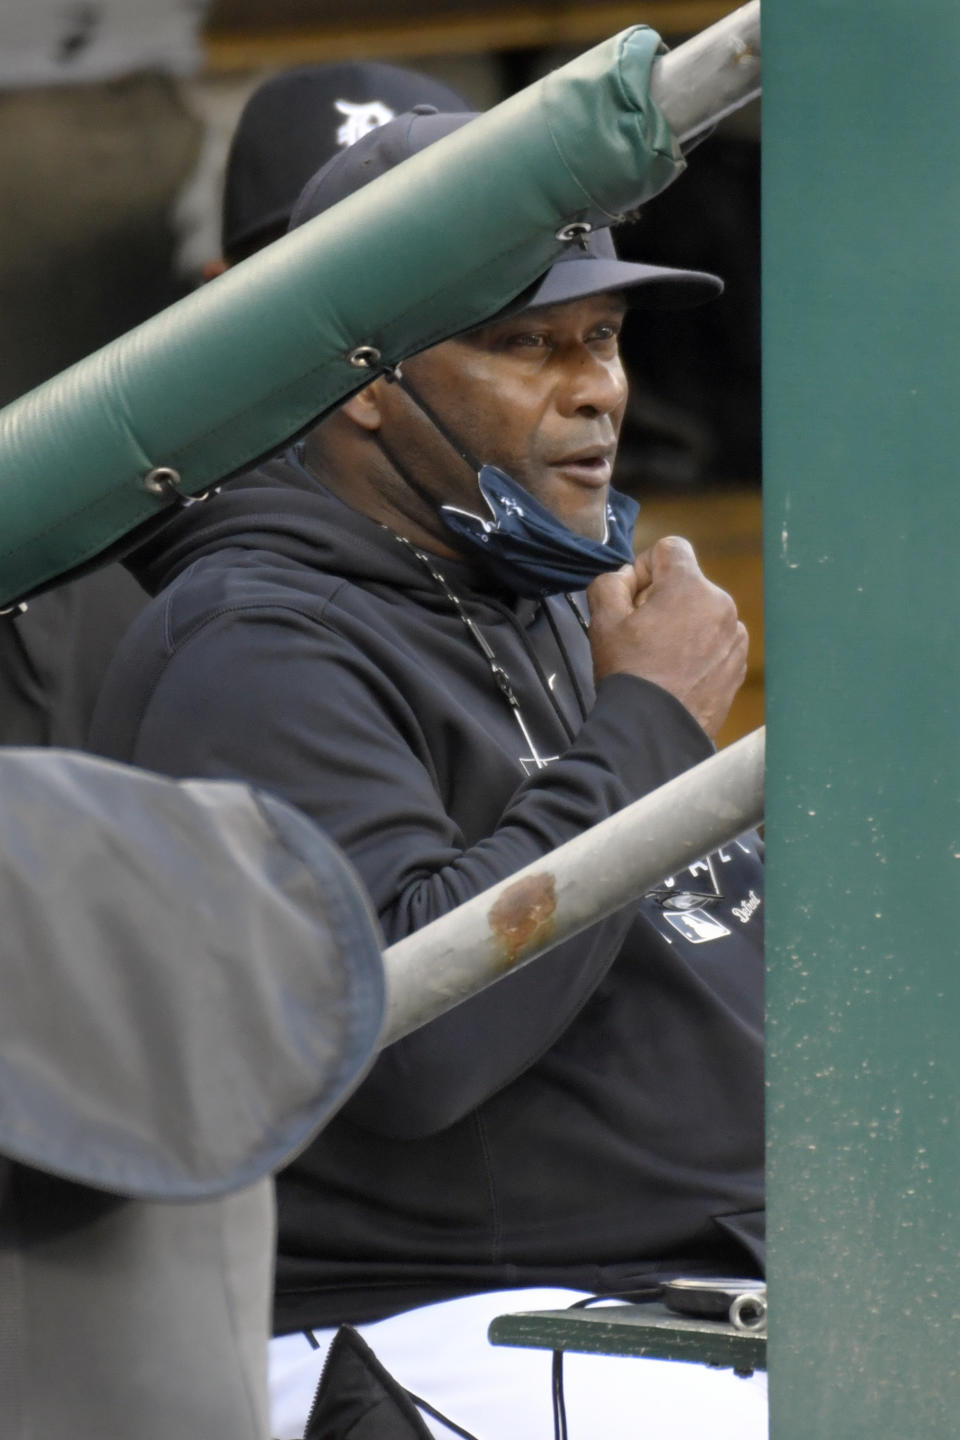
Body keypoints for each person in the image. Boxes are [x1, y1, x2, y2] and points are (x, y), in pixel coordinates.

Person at [90, 110, 766, 1439]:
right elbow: (410, 1047)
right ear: (362, 377)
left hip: (692, 1302)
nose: (599, 391)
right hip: (455, 1325)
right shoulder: (258, 638)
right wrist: (648, 725)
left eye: (607, 338)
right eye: (526, 343)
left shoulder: (551, 599)